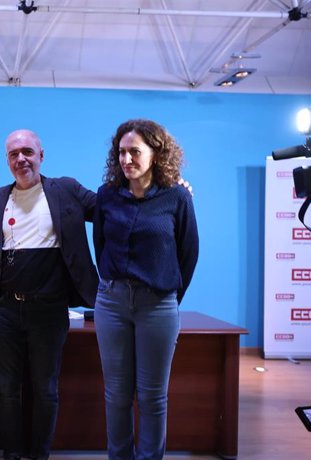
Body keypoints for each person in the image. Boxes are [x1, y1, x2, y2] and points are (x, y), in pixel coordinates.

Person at [0, 129, 99, 460]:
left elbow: (108, 208)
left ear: (41, 155)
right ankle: (13, 454)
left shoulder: (66, 189)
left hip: (48, 312)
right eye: (13, 154)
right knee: (6, 390)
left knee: (45, 390)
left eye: (27, 152)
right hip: (5, 312)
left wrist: (160, 192)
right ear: (7, 161)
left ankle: (40, 455)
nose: (21, 159)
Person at [93, 119, 199, 460]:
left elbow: (189, 252)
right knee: (116, 395)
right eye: (121, 152)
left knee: (153, 396)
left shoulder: (177, 196)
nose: (126, 159)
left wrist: (166, 296)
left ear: (156, 154)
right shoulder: (107, 195)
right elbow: (100, 246)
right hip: (111, 303)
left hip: (158, 305)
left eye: (134, 152)